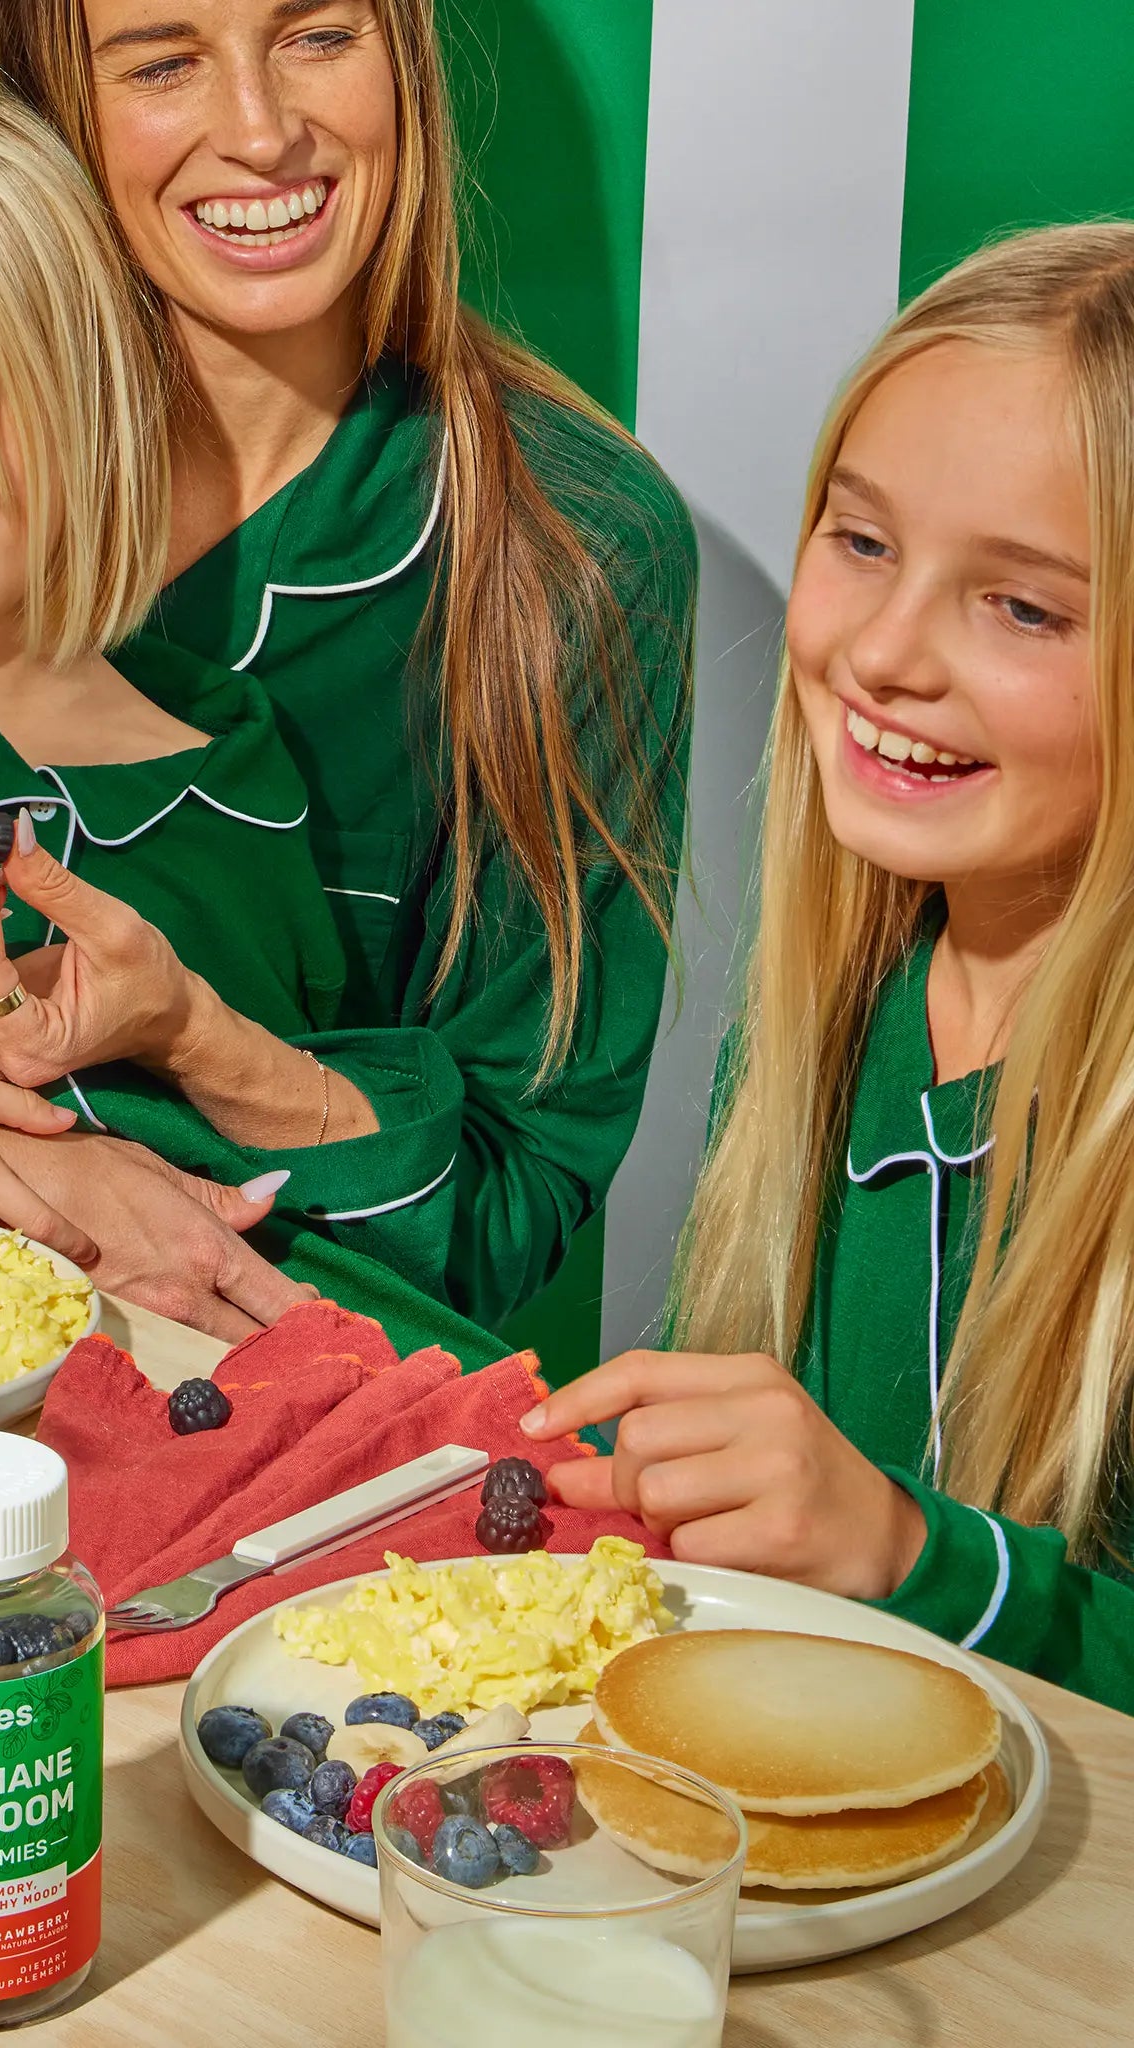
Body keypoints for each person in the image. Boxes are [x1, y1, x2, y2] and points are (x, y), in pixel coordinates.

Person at [0, 0, 696, 1344]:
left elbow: (501, 1221)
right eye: (162, 61)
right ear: (55, 99)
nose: (263, 132)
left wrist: (194, 1045)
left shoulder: (574, 550)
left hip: (250, 1399)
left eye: (319, 36)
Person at [524, 225, 1134, 1711]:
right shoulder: (838, 1021)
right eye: (861, 543)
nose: (883, 652)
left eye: (1024, 606)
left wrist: (916, 1555)